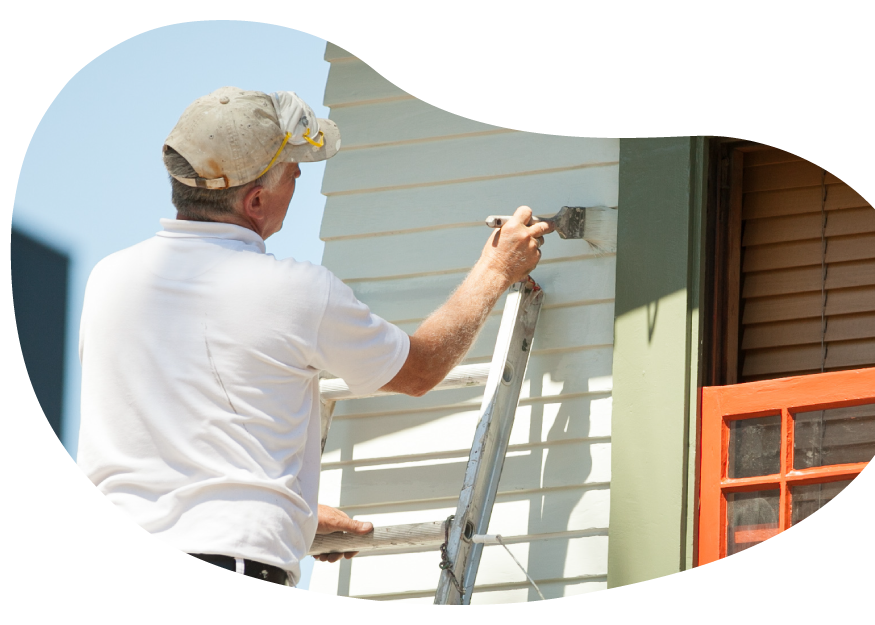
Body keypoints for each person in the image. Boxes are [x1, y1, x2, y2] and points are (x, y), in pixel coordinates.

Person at [76, 86, 551, 587]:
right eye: (292, 171)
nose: (299, 178)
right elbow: (421, 369)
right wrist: (496, 269)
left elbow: (179, 431)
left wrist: (291, 513)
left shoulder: (109, 280)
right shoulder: (293, 291)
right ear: (255, 200)